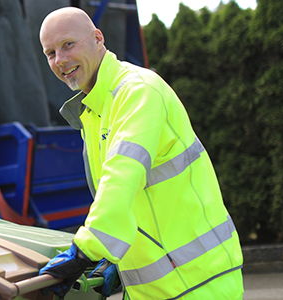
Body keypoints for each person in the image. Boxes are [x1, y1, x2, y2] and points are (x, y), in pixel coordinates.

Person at [37, 7, 244, 300]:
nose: (61, 60)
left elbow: (121, 180)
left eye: (68, 44)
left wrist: (85, 252)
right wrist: (117, 260)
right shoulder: (95, 110)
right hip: (160, 288)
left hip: (198, 284)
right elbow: (139, 200)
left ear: (98, 38)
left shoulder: (136, 92)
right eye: (50, 53)